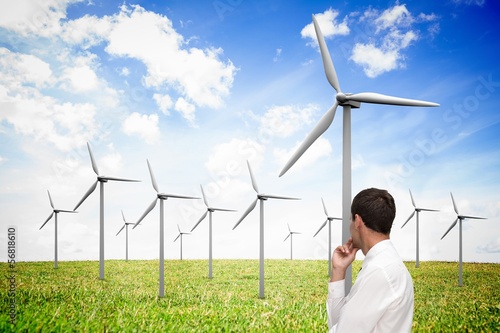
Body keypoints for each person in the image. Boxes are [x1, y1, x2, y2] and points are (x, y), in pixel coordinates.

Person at [326, 188, 414, 332]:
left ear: (358, 221)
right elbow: (340, 325)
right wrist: (338, 270)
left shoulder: (379, 270)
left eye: (350, 220)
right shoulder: (384, 264)